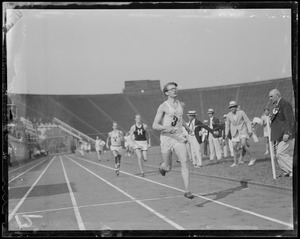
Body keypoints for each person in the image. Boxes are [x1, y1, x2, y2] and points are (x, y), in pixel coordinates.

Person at [152, 82, 194, 199]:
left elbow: (179, 118)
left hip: (178, 137)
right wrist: (167, 127)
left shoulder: (181, 104)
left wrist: (186, 127)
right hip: (166, 138)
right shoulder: (163, 106)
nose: (174, 90)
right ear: (166, 93)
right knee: (168, 167)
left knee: (184, 162)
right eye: (171, 89)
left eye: (175, 88)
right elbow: (155, 125)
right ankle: (162, 167)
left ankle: (187, 190)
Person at [269, 89, 294, 178]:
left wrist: (287, 133)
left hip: (285, 134)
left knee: (280, 153)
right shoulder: (277, 105)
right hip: (279, 135)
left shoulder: (285, 104)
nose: (270, 98)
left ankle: (292, 169)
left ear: (277, 95)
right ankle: (287, 171)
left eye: (271, 96)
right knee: (279, 155)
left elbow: (289, 119)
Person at [225, 101, 255, 167]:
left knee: (244, 144)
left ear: (236, 107)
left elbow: (247, 121)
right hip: (234, 132)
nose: (232, 108)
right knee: (234, 146)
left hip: (242, 130)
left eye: (233, 107)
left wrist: (250, 130)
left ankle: (252, 158)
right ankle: (235, 162)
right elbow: (227, 125)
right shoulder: (228, 115)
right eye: (230, 107)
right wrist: (226, 134)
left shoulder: (241, 112)